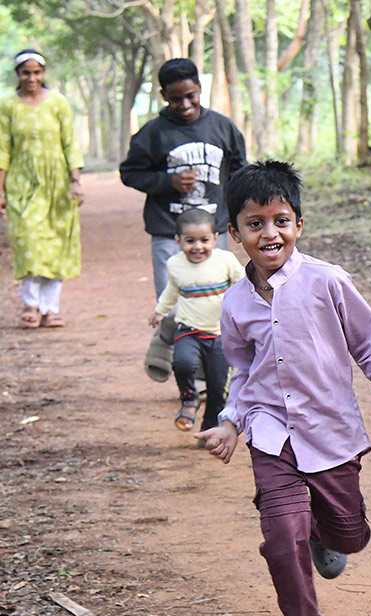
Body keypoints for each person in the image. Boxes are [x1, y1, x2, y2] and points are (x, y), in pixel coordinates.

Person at [196, 161, 371, 616]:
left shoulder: (327, 281)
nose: (269, 233)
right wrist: (230, 421)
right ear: (235, 233)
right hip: (271, 433)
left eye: (281, 220)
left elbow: (370, 342)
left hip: (331, 430)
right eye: (255, 223)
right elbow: (243, 370)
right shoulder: (234, 303)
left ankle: (326, 532)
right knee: (280, 533)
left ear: (298, 224)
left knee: (351, 537)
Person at [119, 58, 246, 377]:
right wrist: (167, 182)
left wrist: (240, 215)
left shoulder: (222, 127)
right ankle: (166, 335)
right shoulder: (153, 133)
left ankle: (203, 375)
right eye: (176, 99)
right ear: (164, 96)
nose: (185, 104)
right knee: (175, 303)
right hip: (168, 232)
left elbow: (240, 170)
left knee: (213, 304)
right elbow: (129, 173)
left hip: (212, 231)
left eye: (191, 96)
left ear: (200, 88)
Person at [0, 49, 83, 328]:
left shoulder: (58, 103)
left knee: (56, 245)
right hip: (22, 185)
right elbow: (2, 150)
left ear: (43, 74)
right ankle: (30, 303)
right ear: (18, 75)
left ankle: (50, 308)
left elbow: (70, 143)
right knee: (29, 242)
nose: (31, 78)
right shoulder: (7, 105)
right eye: (26, 72)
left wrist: (75, 180)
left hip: (57, 185)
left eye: (37, 72)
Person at [148, 208, 243, 437]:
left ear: (215, 238)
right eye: (190, 241)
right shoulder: (175, 264)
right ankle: (189, 398)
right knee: (182, 363)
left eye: (204, 240)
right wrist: (160, 311)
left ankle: (210, 428)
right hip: (188, 330)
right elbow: (172, 291)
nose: (197, 247)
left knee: (218, 387)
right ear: (178, 240)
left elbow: (243, 284)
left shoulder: (226, 260)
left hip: (220, 334)